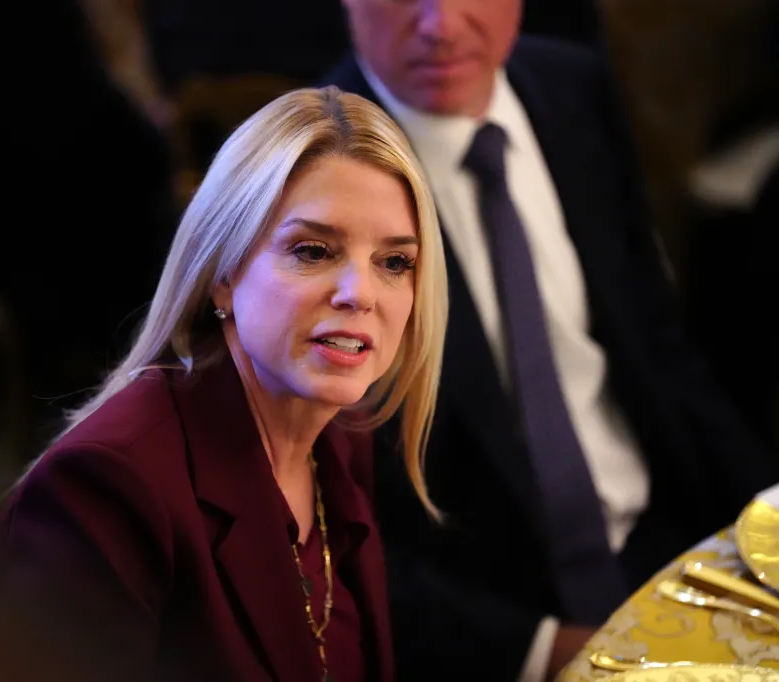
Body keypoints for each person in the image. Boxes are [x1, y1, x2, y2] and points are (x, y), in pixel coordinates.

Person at [323, 1, 779, 680]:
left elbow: (659, 353)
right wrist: (540, 648)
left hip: (663, 542)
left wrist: (765, 511)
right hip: (492, 615)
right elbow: (323, 539)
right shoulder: (310, 180)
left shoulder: (570, 87)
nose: (440, 25)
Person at [0, 86, 449, 682]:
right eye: (313, 251)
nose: (360, 294)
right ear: (223, 275)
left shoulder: (340, 437)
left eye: (394, 263)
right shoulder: (107, 488)